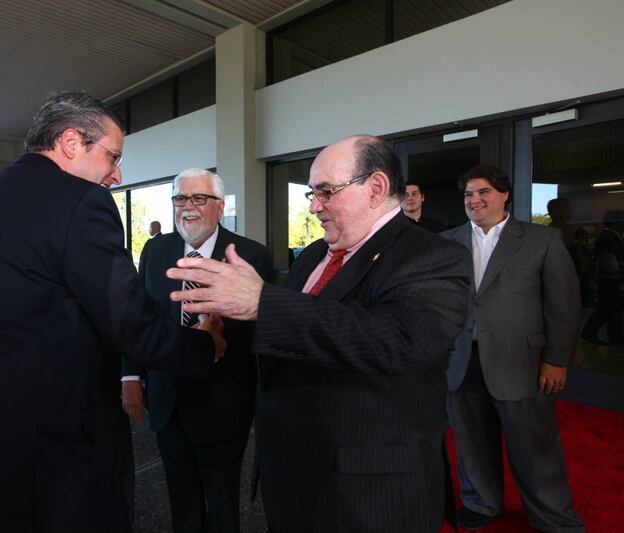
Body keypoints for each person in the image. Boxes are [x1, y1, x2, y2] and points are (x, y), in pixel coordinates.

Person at [0, 91, 225, 533]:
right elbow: (130, 323)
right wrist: (205, 344)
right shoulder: (80, 202)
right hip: (43, 466)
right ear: (71, 142)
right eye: (112, 156)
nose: (116, 173)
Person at [166, 135, 471, 532]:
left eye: (326, 192)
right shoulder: (313, 254)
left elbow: (398, 342)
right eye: (313, 193)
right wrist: (239, 318)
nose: (313, 207)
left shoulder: (432, 255)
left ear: (376, 188)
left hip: (367, 493)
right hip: (291, 476)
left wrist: (263, 304)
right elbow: (303, 330)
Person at [121, 168, 274, 533]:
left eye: (199, 198)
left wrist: (262, 399)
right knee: (181, 501)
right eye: (180, 198)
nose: (188, 207)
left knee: (221, 503)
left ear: (220, 207)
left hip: (223, 402)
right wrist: (131, 375)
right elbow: (139, 318)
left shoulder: (250, 255)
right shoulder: (156, 250)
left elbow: (267, 334)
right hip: (167, 399)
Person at [441, 164, 584, 532]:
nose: (475, 200)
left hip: (521, 362)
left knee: (535, 448)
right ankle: (481, 502)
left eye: (483, 192)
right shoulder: (446, 242)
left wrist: (555, 360)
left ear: (504, 194)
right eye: (469, 194)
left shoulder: (541, 240)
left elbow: (564, 306)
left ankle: (552, 515)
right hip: (461, 362)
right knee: (471, 442)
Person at [581, 209, 624, 345]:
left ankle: (598, 333)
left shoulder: (609, 237)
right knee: (608, 307)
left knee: (608, 307)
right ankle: (605, 334)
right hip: (610, 280)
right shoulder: (609, 238)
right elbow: (609, 262)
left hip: (608, 280)